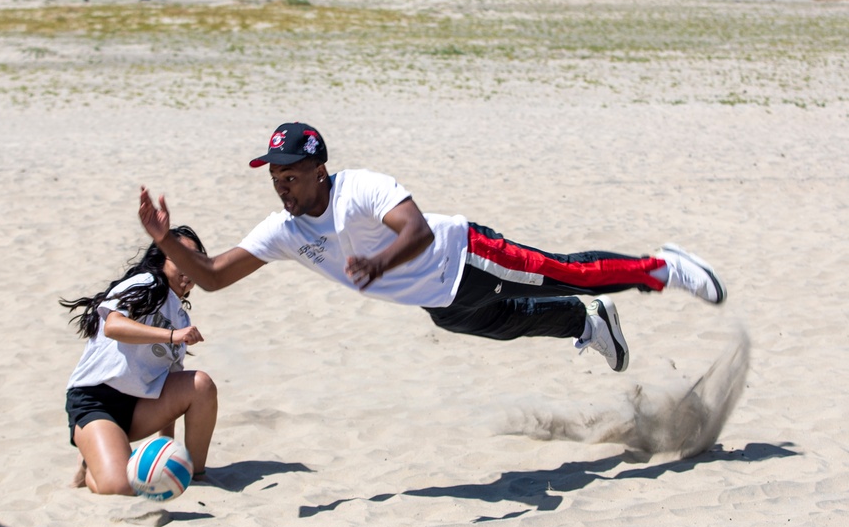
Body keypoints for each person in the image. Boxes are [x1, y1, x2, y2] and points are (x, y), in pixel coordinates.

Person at [138, 123, 727, 374]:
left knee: (569, 271)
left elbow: (415, 231)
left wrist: (378, 262)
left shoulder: (360, 189)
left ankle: (665, 268)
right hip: (442, 302)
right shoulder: (286, 231)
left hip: (469, 256)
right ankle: (587, 323)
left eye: (290, 175)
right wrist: (165, 239)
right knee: (505, 327)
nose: (281, 185)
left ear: (319, 168)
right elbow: (212, 275)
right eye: (274, 177)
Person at [61, 225, 218, 495]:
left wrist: (166, 450)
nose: (188, 267)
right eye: (180, 257)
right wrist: (172, 335)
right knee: (121, 486)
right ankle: (90, 464)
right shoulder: (144, 283)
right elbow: (113, 326)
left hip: (138, 408)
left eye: (195, 261)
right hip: (96, 401)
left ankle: (196, 475)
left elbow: (166, 385)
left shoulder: (181, 317)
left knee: (200, 385)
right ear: (160, 258)